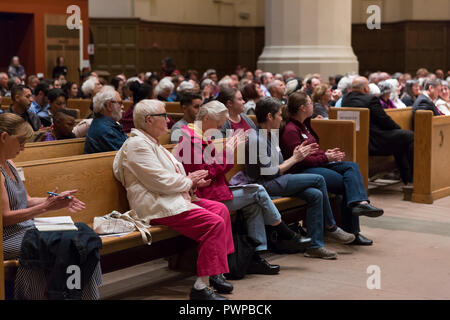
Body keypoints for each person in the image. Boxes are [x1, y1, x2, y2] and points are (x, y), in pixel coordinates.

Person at [113, 99, 234, 300]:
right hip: (155, 204)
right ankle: (200, 288)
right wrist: (188, 181)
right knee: (213, 224)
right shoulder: (136, 145)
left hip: (169, 197)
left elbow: (171, 176)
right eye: (164, 115)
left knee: (220, 210)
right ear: (149, 120)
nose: (169, 119)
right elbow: (160, 181)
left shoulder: (151, 142)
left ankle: (214, 273)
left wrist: (193, 183)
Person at [175, 100, 311, 269]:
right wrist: (228, 152)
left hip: (216, 191)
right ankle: (286, 233)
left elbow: (214, 170)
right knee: (258, 191)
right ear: (207, 118)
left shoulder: (201, 135)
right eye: (218, 124)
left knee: (253, 205)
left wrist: (227, 152)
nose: (219, 128)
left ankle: (256, 256)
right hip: (206, 196)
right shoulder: (190, 139)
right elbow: (206, 174)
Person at [0, 113, 102, 299]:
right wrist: (46, 207)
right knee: (72, 244)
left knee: (84, 238)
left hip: (26, 229)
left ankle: (79, 294)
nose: (23, 147)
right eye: (21, 141)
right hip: (7, 238)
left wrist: (57, 201)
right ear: (4, 137)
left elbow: (26, 200)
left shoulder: (10, 162)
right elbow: (5, 218)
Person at [245, 97, 356, 258]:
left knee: (315, 194)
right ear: (270, 117)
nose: (282, 118)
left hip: (278, 179)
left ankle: (314, 246)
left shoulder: (270, 135)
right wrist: (295, 158)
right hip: (263, 185)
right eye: (279, 115)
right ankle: (331, 227)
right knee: (318, 179)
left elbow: (279, 164)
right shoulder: (256, 139)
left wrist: (301, 154)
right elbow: (270, 172)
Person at [281, 91, 384, 246]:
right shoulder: (291, 130)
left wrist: (326, 154)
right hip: (301, 171)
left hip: (317, 164)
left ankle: (359, 204)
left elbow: (313, 150)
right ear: (302, 108)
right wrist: (326, 158)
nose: (312, 105)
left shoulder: (305, 125)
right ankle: (353, 229)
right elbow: (300, 160)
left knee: (352, 166)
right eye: (310, 103)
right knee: (346, 184)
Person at [342, 76, 415, 185]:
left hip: (355, 141)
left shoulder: (345, 99)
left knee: (400, 140)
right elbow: (384, 120)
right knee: (410, 136)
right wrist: (398, 128)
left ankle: (407, 177)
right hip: (374, 142)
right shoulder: (370, 99)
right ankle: (413, 178)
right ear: (366, 89)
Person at [84, 86, 127, 154]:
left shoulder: (103, 123)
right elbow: (125, 155)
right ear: (109, 105)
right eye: (120, 103)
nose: (122, 106)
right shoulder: (106, 131)